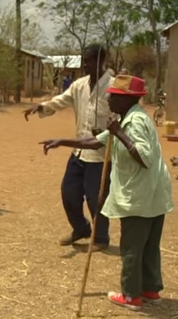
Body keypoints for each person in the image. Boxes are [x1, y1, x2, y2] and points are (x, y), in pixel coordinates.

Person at [39, 74, 173, 312]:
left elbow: (144, 158)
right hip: (154, 193)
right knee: (149, 244)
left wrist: (119, 133)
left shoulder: (133, 123)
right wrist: (61, 141)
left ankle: (131, 296)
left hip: (140, 195)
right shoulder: (128, 118)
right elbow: (95, 142)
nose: (109, 98)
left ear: (126, 99)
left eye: (113, 96)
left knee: (132, 246)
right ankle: (151, 289)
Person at [24, 44, 115, 252]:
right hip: (79, 152)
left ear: (102, 62)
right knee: (69, 193)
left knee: (96, 198)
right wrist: (41, 107)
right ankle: (81, 228)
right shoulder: (79, 85)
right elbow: (60, 101)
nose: (85, 65)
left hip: (101, 154)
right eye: (84, 60)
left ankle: (101, 237)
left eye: (90, 60)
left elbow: (120, 116)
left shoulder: (112, 86)